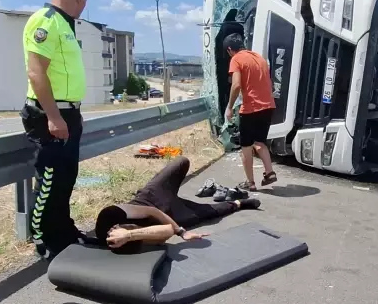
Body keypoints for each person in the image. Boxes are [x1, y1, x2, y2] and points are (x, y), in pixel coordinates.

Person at [20, 0, 94, 261]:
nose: (85, 6)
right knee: (49, 180)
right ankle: (43, 239)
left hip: (67, 112)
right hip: (49, 112)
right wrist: (53, 117)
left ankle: (64, 232)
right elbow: (36, 72)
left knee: (66, 179)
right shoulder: (46, 20)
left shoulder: (64, 24)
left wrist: (72, 114)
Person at [94, 156, 262, 253]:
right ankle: (239, 202)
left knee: (182, 161)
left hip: (152, 198)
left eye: (129, 228)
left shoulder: (109, 216)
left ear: (116, 227)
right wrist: (132, 235)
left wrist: (179, 231)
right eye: (132, 231)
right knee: (211, 213)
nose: (133, 229)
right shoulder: (124, 245)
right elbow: (166, 231)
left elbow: (153, 212)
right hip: (173, 216)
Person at [222, 34, 277, 191]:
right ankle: (270, 172)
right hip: (268, 106)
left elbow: (236, 85)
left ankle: (250, 182)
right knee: (259, 142)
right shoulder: (258, 57)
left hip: (251, 108)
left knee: (246, 146)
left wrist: (230, 106)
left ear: (229, 50)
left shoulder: (236, 59)